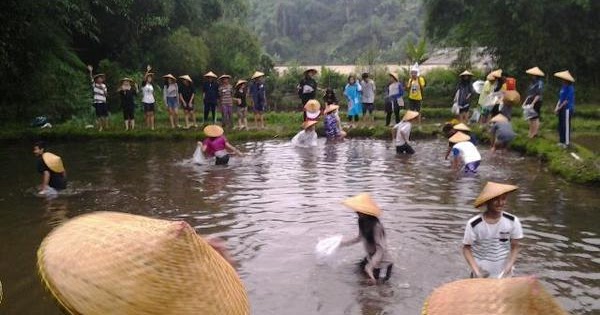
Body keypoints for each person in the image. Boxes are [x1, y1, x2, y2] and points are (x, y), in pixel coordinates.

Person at [463, 182, 523, 279]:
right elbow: (466, 249)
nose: (500, 203)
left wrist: (508, 267)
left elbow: (515, 247)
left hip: (504, 274)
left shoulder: (512, 221)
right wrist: (477, 271)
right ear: (487, 201)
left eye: (503, 199)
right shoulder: (474, 224)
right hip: (481, 274)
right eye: (496, 199)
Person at [340, 193, 393, 285]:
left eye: (359, 210)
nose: (356, 212)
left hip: (383, 263)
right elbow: (359, 238)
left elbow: (381, 249)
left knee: (379, 286)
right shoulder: (361, 221)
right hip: (371, 258)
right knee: (357, 275)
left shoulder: (376, 226)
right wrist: (342, 244)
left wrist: (370, 266)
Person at [554, 70, 575, 148]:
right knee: (561, 125)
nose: (562, 80)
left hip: (567, 109)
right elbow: (560, 99)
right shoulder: (563, 87)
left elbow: (566, 101)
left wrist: (559, 108)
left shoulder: (570, 88)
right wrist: (557, 107)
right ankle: (561, 141)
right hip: (561, 108)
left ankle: (567, 143)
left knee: (566, 125)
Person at [522, 67, 545, 138]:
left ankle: (535, 133)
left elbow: (538, 94)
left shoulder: (540, 83)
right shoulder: (532, 83)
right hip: (530, 101)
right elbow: (529, 94)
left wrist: (533, 103)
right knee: (530, 117)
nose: (532, 76)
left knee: (535, 117)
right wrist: (525, 102)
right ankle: (530, 132)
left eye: (533, 75)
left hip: (536, 102)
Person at [88, 66, 109, 131]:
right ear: (96, 79)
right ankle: (100, 127)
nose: (100, 79)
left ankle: (106, 126)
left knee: (105, 115)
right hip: (97, 102)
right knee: (99, 115)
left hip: (103, 102)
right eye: (98, 78)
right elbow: (91, 78)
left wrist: (103, 89)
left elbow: (106, 95)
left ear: (102, 80)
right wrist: (90, 71)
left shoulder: (104, 86)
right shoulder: (94, 85)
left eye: (101, 78)